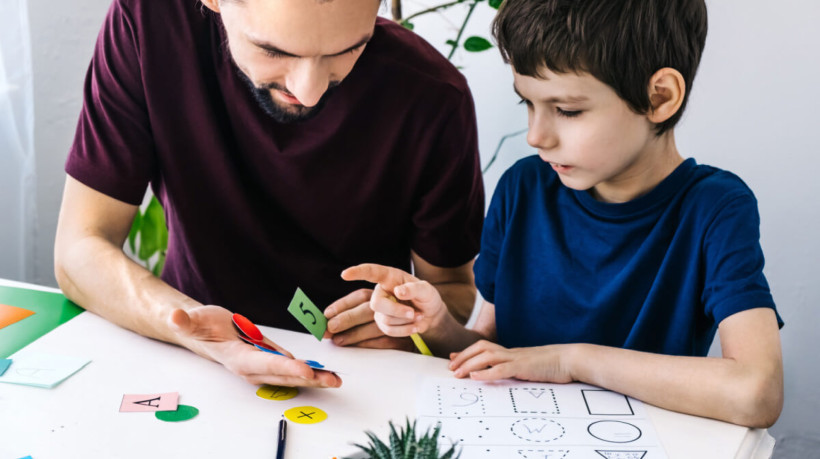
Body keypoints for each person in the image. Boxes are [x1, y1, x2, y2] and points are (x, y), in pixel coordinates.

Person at [342, 0, 784, 427]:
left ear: (659, 97)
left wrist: (570, 360)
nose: (536, 136)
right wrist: (437, 326)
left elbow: (756, 392)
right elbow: (492, 350)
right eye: (528, 104)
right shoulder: (522, 188)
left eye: (567, 111)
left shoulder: (716, 209)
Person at [53, 0, 484, 389]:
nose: (310, 91)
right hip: (186, 359)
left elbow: (452, 287)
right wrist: (192, 328)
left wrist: (410, 320)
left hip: (358, 379)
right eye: (274, 51)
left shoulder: (433, 95)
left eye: (348, 50)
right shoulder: (148, 22)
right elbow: (80, 249)